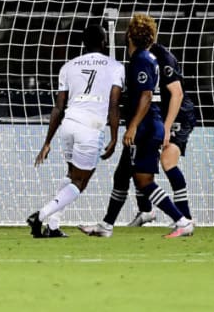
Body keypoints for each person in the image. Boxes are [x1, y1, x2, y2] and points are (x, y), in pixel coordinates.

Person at [79, 13, 194, 238]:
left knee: (143, 181)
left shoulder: (141, 59)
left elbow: (146, 95)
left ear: (131, 34)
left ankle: (182, 220)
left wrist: (132, 127)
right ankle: (106, 225)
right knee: (122, 175)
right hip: (148, 125)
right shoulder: (147, 58)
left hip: (146, 127)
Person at [27, 24, 124, 238]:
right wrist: (115, 137)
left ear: (83, 43)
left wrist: (47, 142)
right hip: (90, 127)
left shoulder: (68, 66)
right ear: (104, 41)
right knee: (80, 182)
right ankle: (40, 216)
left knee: (71, 175)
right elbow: (114, 105)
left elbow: (58, 107)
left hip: (68, 124)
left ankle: (53, 226)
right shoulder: (115, 67)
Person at [125, 41, 196, 226]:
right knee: (141, 163)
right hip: (158, 114)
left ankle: (185, 217)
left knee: (167, 161)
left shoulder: (163, 57)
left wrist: (167, 127)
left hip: (179, 113)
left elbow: (177, 94)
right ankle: (146, 211)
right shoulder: (139, 56)